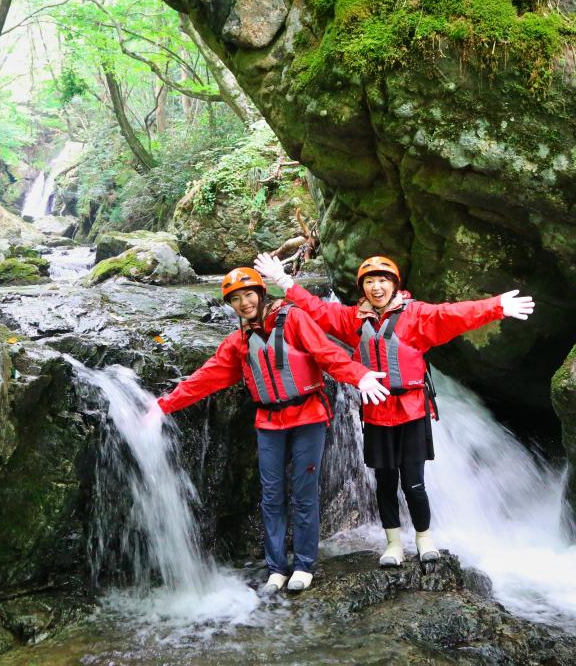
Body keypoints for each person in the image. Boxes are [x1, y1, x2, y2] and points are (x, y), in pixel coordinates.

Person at [254, 252, 534, 567]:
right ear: (362, 288)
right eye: (370, 281)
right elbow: (317, 310)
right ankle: (393, 544)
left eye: (382, 280)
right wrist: (284, 281)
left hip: (412, 411)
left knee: (413, 481)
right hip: (376, 413)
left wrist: (496, 307)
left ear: (394, 284)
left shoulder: (416, 316)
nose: (376, 287)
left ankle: (425, 539)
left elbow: (453, 315)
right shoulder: (352, 320)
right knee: (385, 482)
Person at [152, 266, 389, 594]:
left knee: (304, 493)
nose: (244, 303)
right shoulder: (239, 342)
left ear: (261, 294)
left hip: (308, 416)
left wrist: (358, 374)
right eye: (236, 299)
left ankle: (304, 564)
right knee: (272, 497)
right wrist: (162, 406)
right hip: (269, 423)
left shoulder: (293, 319)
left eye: (249, 295)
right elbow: (204, 379)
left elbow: (326, 353)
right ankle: (277, 567)